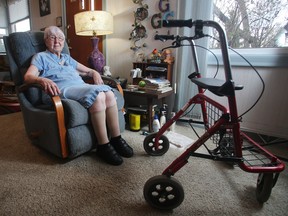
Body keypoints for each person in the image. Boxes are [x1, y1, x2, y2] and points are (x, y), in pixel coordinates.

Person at [24, 26, 133, 166]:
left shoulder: (66, 58)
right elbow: (28, 77)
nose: (57, 41)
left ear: (64, 42)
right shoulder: (41, 57)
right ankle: (103, 145)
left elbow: (87, 71)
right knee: (98, 96)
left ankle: (116, 139)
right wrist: (41, 79)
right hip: (62, 89)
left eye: (60, 38)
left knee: (109, 94)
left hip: (79, 86)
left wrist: (94, 72)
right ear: (46, 41)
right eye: (52, 37)